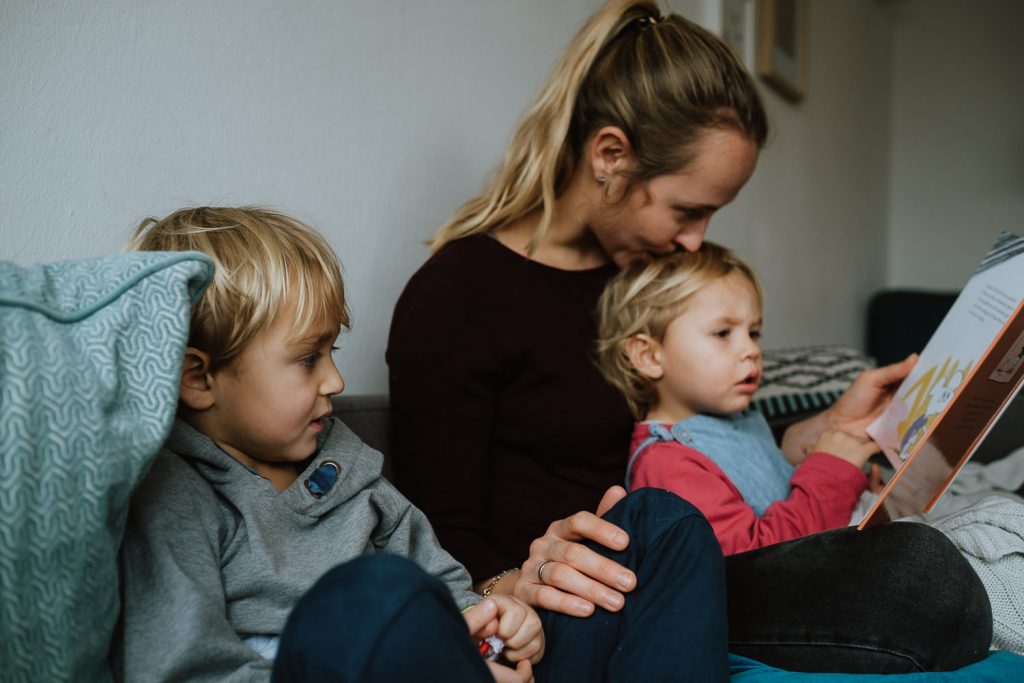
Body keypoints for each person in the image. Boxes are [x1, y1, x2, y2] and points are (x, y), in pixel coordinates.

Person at [387, 0, 993, 673]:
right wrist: (511, 586)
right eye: (688, 209)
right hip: (578, 599)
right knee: (920, 579)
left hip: (697, 564)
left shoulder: (650, 283)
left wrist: (825, 430)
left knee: (926, 564)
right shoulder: (459, 295)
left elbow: (708, 440)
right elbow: (422, 536)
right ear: (610, 155)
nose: (696, 239)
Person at [116, 206, 732, 683]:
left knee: (662, 522)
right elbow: (183, 670)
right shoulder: (173, 499)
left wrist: (501, 624)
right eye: (308, 359)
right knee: (373, 594)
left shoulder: (346, 463)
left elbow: (451, 589)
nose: (336, 380)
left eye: (332, 351)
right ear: (199, 378)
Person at [595, 242, 887, 556]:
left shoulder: (742, 421)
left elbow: (778, 500)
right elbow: (754, 561)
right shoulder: (666, 462)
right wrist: (832, 474)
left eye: (754, 332)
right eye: (723, 333)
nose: (751, 350)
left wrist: (854, 494)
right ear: (649, 356)